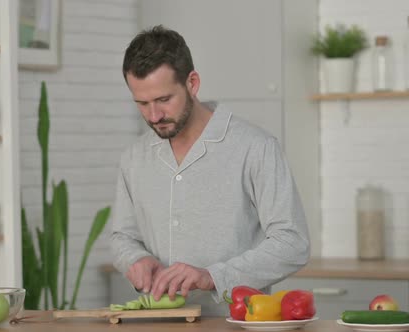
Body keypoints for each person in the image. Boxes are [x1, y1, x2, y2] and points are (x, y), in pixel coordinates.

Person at [110, 25, 310, 316]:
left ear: (192, 83)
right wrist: (135, 259)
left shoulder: (255, 147)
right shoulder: (134, 157)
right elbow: (122, 237)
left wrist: (212, 276)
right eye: (142, 103)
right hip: (157, 324)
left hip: (237, 322)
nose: (154, 116)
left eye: (164, 100)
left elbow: (293, 243)